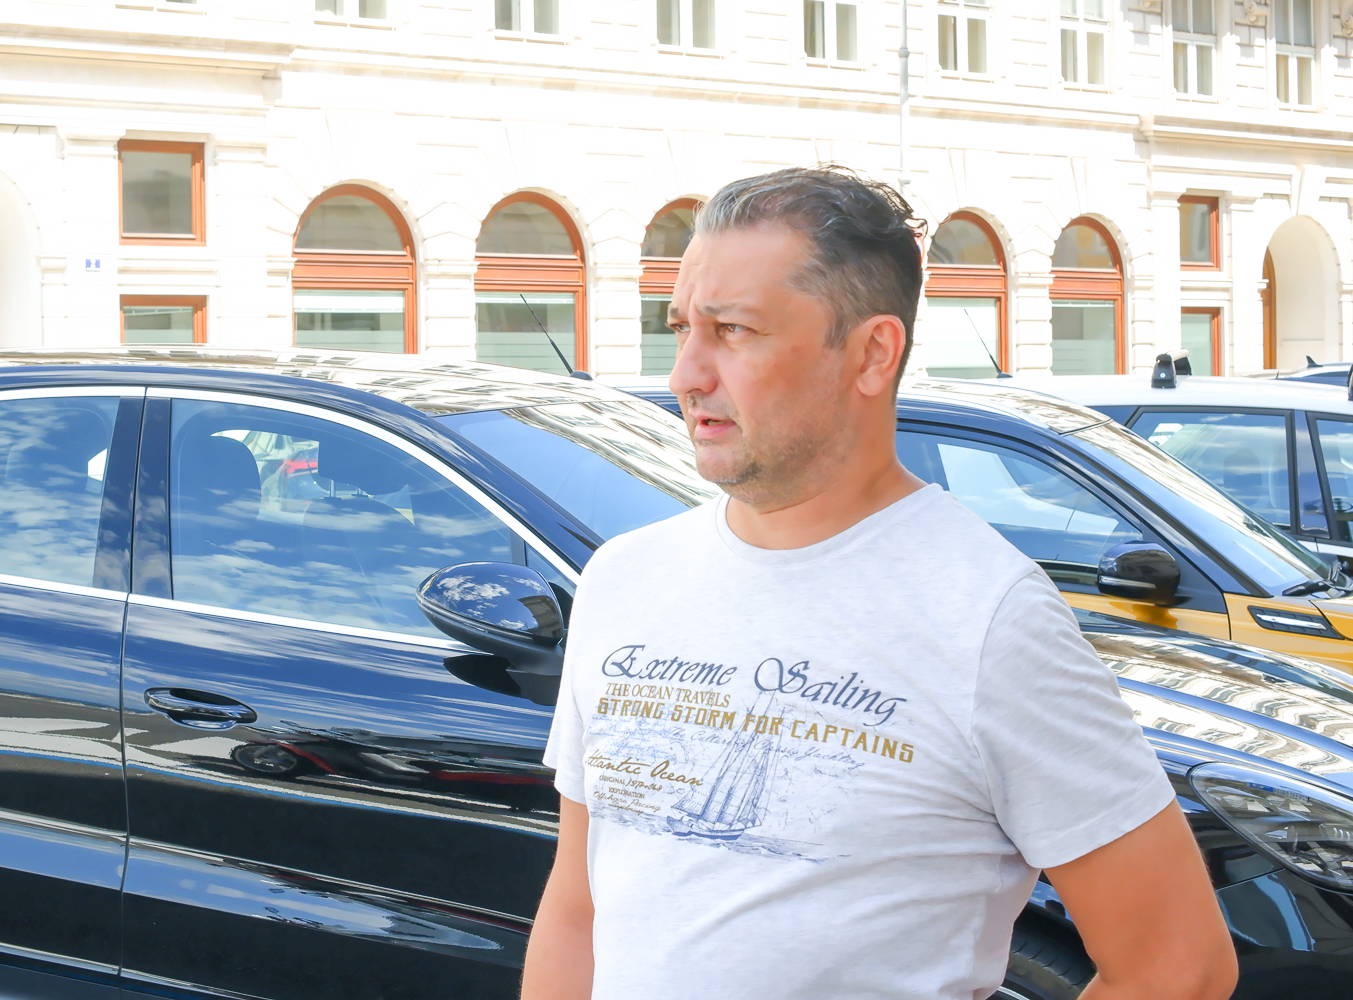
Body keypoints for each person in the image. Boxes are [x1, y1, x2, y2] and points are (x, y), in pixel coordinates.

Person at [521, 166, 1237, 1000]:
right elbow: (579, 910)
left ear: (872, 353)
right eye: (681, 328)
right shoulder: (623, 578)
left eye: (734, 331)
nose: (685, 374)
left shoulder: (989, 616)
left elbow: (1179, 967)